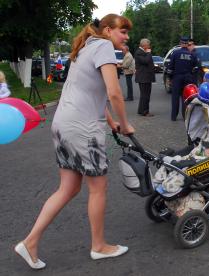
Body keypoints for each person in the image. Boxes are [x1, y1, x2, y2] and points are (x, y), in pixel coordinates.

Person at [14, 14, 135, 270]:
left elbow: (90, 91)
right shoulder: (103, 47)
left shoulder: (85, 48)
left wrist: (111, 121)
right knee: (98, 188)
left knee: (67, 188)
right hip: (83, 129)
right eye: (122, 31)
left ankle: (30, 241)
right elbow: (113, 92)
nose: (126, 37)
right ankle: (99, 246)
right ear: (108, 30)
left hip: (63, 124)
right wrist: (125, 125)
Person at [167, 36, 198, 121]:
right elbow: (195, 68)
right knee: (186, 97)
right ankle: (185, 116)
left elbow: (170, 67)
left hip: (177, 78)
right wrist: (192, 77)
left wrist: (170, 78)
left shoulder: (175, 53)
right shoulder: (192, 54)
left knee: (175, 97)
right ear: (187, 43)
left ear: (180, 43)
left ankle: (174, 116)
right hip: (188, 78)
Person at [134, 38, 155, 116]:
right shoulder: (139, 52)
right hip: (144, 77)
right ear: (144, 45)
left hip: (146, 77)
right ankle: (145, 112)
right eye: (148, 45)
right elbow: (145, 61)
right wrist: (149, 53)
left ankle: (141, 110)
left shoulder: (142, 52)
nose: (149, 46)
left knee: (144, 95)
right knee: (145, 95)